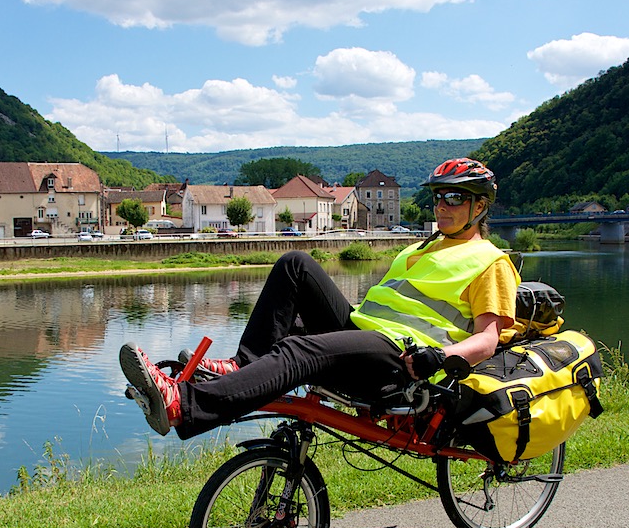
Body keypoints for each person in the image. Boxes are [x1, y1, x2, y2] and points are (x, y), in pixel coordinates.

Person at [120, 158, 523, 440]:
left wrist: (442, 357)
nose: (442, 206)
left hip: (403, 360)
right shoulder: (423, 249)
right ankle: (245, 362)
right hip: (366, 333)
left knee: (298, 350)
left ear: (480, 206)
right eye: (439, 197)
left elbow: (488, 339)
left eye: (454, 198)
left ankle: (182, 403)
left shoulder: (491, 262)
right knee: (295, 263)